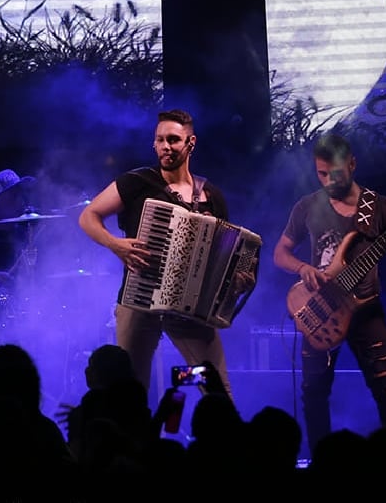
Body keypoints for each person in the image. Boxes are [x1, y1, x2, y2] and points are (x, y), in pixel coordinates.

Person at [77, 109, 254, 400]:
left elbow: (225, 260)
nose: (165, 146)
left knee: (215, 388)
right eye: (160, 140)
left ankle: (185, 389)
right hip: (141, 299)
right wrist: (115, 244)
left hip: (191, 311)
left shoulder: (211, 195)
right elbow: (88, 216)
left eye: (173, 139)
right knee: (130, 390)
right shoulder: (138, 183)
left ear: (190, 143)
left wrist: (236, 281)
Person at [272, 132, 386, 454]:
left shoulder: (380, 206)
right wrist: (303, 269)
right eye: (322, 174)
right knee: (313, 395)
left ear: (353, 164)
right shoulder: (307, 206)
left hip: (367, 312)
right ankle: (322, 465)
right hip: (321, 311)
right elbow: (281, 254)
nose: (329, 181)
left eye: (336, 174)